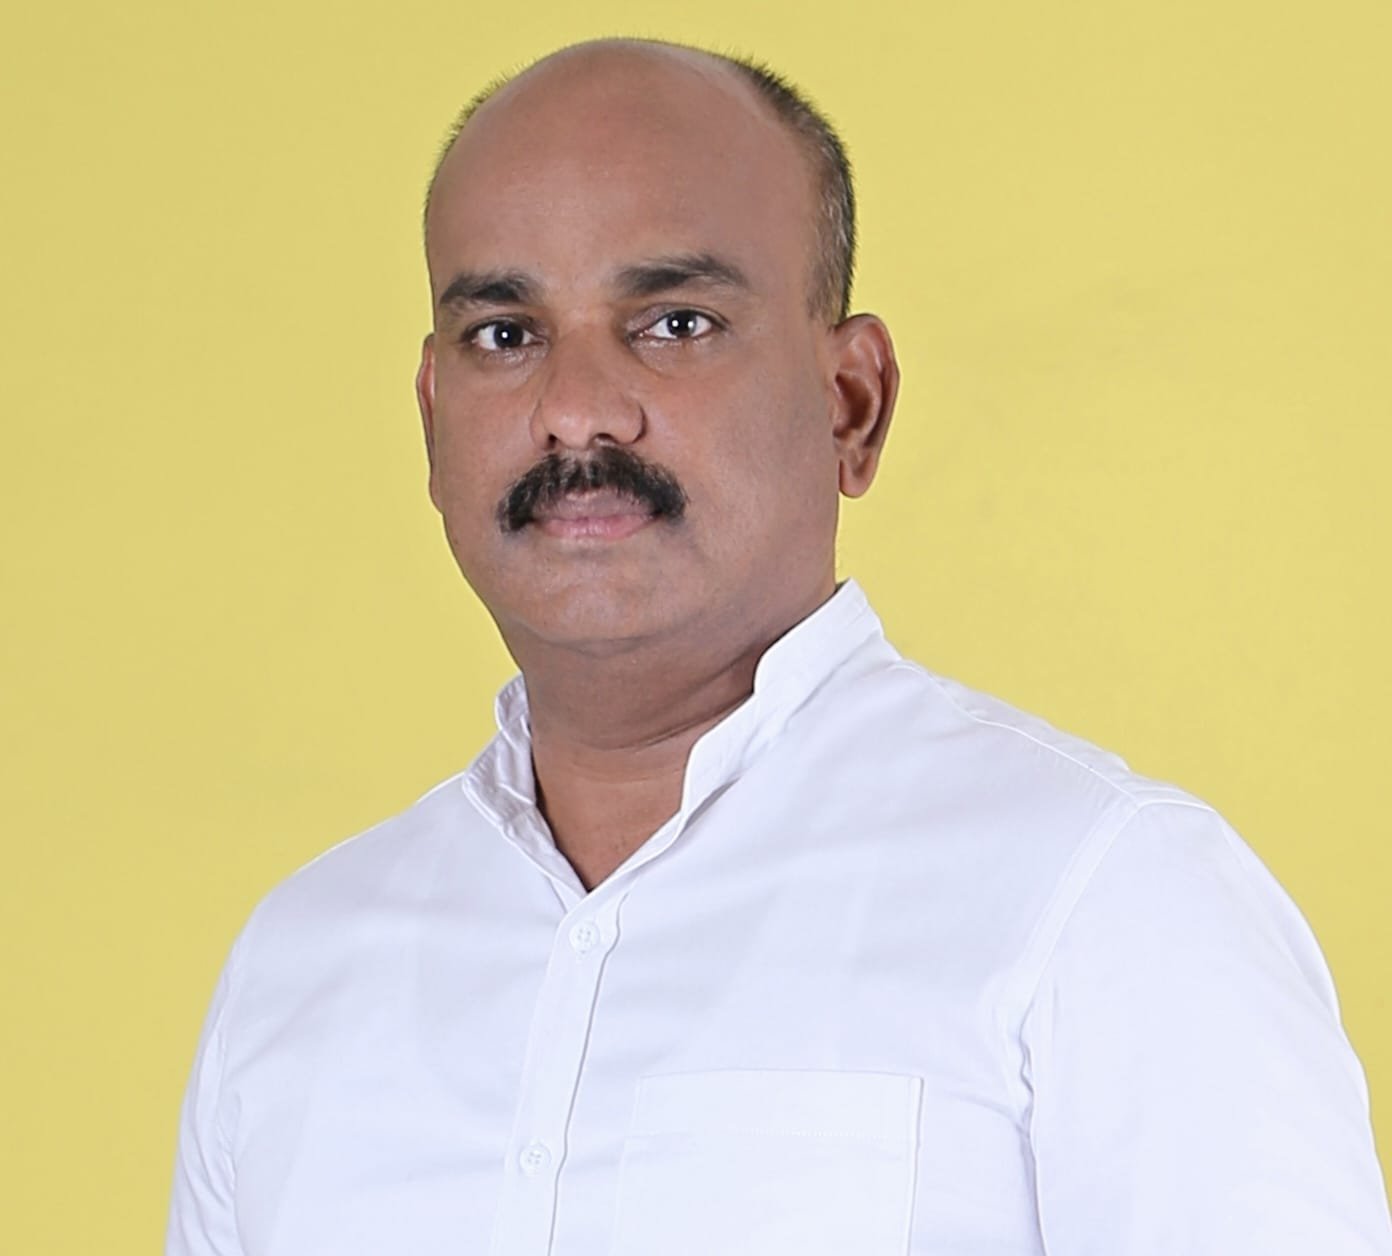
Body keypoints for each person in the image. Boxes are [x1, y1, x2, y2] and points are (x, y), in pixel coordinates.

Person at [166, 37, 1392, 1256]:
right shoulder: (300, 971)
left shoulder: (1107, 901)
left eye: (675, 321)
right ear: (434, 416)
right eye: (503, 333)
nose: (576, 408)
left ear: (853, 402)